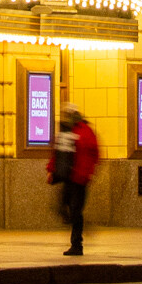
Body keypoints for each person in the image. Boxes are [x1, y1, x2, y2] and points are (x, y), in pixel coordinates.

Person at [46, 103, 98, 256]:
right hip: (68, 177)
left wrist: (88, 173)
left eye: (69, 114)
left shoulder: (86, 131)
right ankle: (79, 225)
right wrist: (51, 169)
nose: (67, 117)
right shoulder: (66, 131)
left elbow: (94, 154)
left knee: (75, 210)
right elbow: (58, 152)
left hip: (80, 179)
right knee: (61, 206)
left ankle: (77, 244)